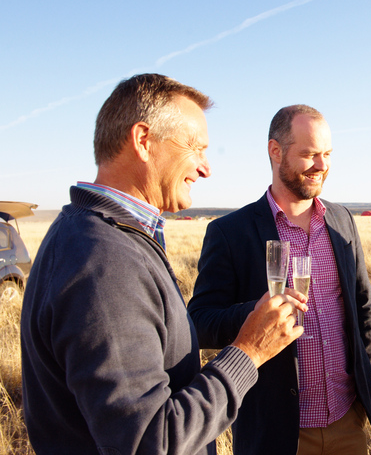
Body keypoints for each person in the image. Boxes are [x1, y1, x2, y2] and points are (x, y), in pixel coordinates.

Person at [20, 74, 307, 455]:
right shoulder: (104, 261)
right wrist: (249, 352)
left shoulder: (97, 235)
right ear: (143, 140)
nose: (206, 168)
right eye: (195, 147)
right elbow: (148, 441)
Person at [187, 104, 371, 455]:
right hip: (277, 433)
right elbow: (199, 322)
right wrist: (255, 313)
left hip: (347, 421)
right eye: (308, 154)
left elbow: (364, 305)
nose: (321, 165)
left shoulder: (342, 220)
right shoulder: (231, 233)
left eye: (327, 154)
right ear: (275, 151)